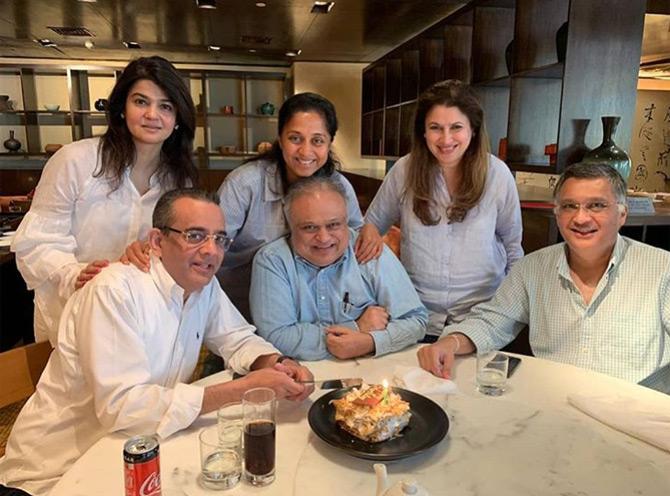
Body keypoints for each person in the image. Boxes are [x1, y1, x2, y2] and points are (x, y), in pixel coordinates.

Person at [0, 189, 314, 496]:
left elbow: (236, 337)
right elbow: (122, 407)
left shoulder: (203, 285)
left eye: (220, 239)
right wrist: (239, 390)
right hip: (55, 472)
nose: (211, 250)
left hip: (141, 452)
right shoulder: (114, 292)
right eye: (194, 235)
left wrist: (275, 364)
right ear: (157, 241)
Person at [417, 162, 670, 393]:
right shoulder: (533, 268)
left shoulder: (661, 269)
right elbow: (493, 321)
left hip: (636, 414)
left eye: (597, 205)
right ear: (558, 214)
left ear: (622, 214)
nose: (581, 218)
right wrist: (450, 342)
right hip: (557, 404)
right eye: (570, 206)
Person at [10, 56, 198, 345]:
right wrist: (74, 274)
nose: (152, 114)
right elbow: (35, 241)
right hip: (71, 313)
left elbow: (179, 247)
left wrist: (153, 250)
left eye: (165, 106)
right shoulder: (76, 161)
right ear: (122, 108)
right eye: (140, 102)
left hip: (139, 318)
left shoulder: (178, 178)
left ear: (177, 119)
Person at [363, 80, 523, 337]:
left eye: (456, 127)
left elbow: (514, 248)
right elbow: (371, 227)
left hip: (482, 318)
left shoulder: (498, 175)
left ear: (473, 129)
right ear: (423, 132)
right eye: (435, 128)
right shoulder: (404, 170)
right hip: (415, 316)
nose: (446, 139)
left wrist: (510, 308)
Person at [250, 176, 427, 360]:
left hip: (370, 376)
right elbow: (276, 337)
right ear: (290, 226)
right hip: (300, 377)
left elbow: (415, 321)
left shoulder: (367, 248)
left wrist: (369, 342)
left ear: (346, 221)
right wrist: (356, 327)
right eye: (309, 227)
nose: (324, 238)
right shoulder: (272, 261)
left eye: (334, 225)